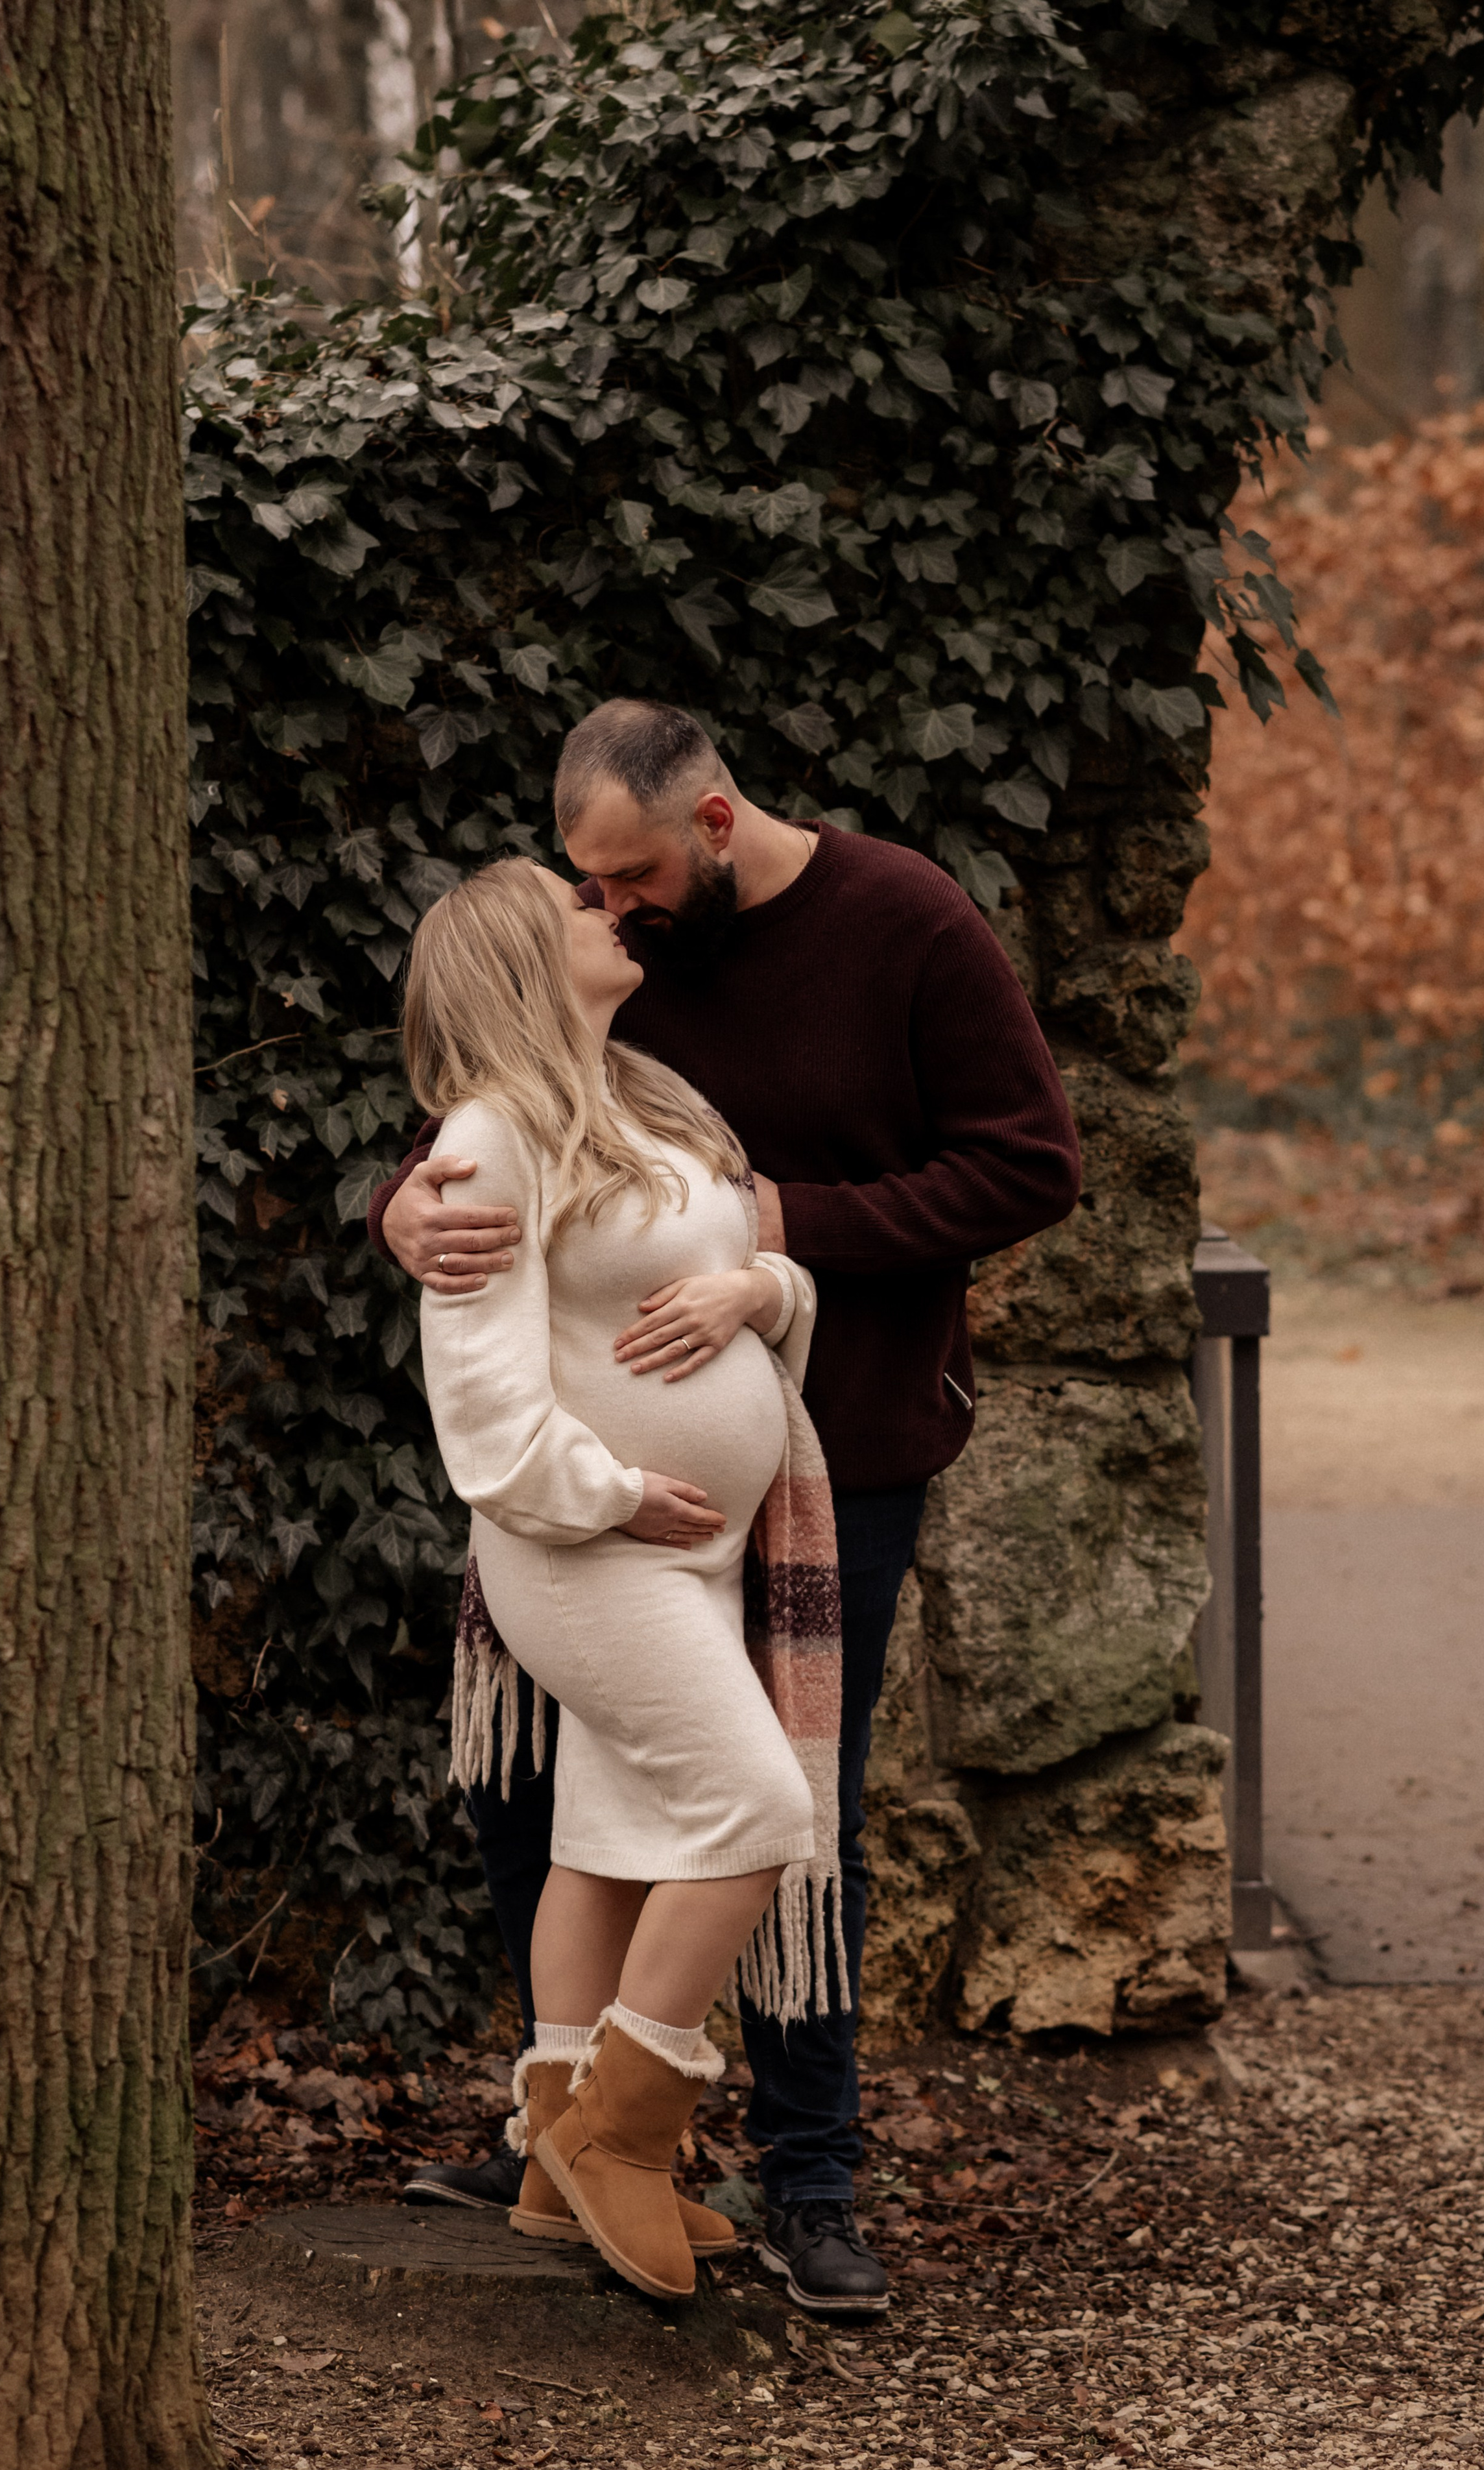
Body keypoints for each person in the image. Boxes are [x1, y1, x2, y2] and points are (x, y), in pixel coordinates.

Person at [372, 699, 1082, 2312]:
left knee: (788, 1809)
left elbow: (1029, 1162)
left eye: (623, 877)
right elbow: (493, 1132)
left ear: (708, 824)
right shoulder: (617, 965)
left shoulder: (900, 920)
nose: (605, 908)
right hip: (607, 1514)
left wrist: (778, 1240)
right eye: (582, 888)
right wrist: (402, 1208)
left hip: (848, 1447)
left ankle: (810, 2168)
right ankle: (575, 2127)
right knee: (566, 1805)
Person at [402, 854, 834, 2301]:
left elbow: (759, 1269)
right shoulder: (485, 1146)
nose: (610, 908)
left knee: (602, 1835)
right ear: (523, 956)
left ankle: (546, 2157)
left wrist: (765, 1292)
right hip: (588, 1552)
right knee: (758, 1803)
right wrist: (613, 1490)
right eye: (575, 904)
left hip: (690, 1548)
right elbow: (482, 1417)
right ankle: (624, 2142)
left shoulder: (645, 1100)